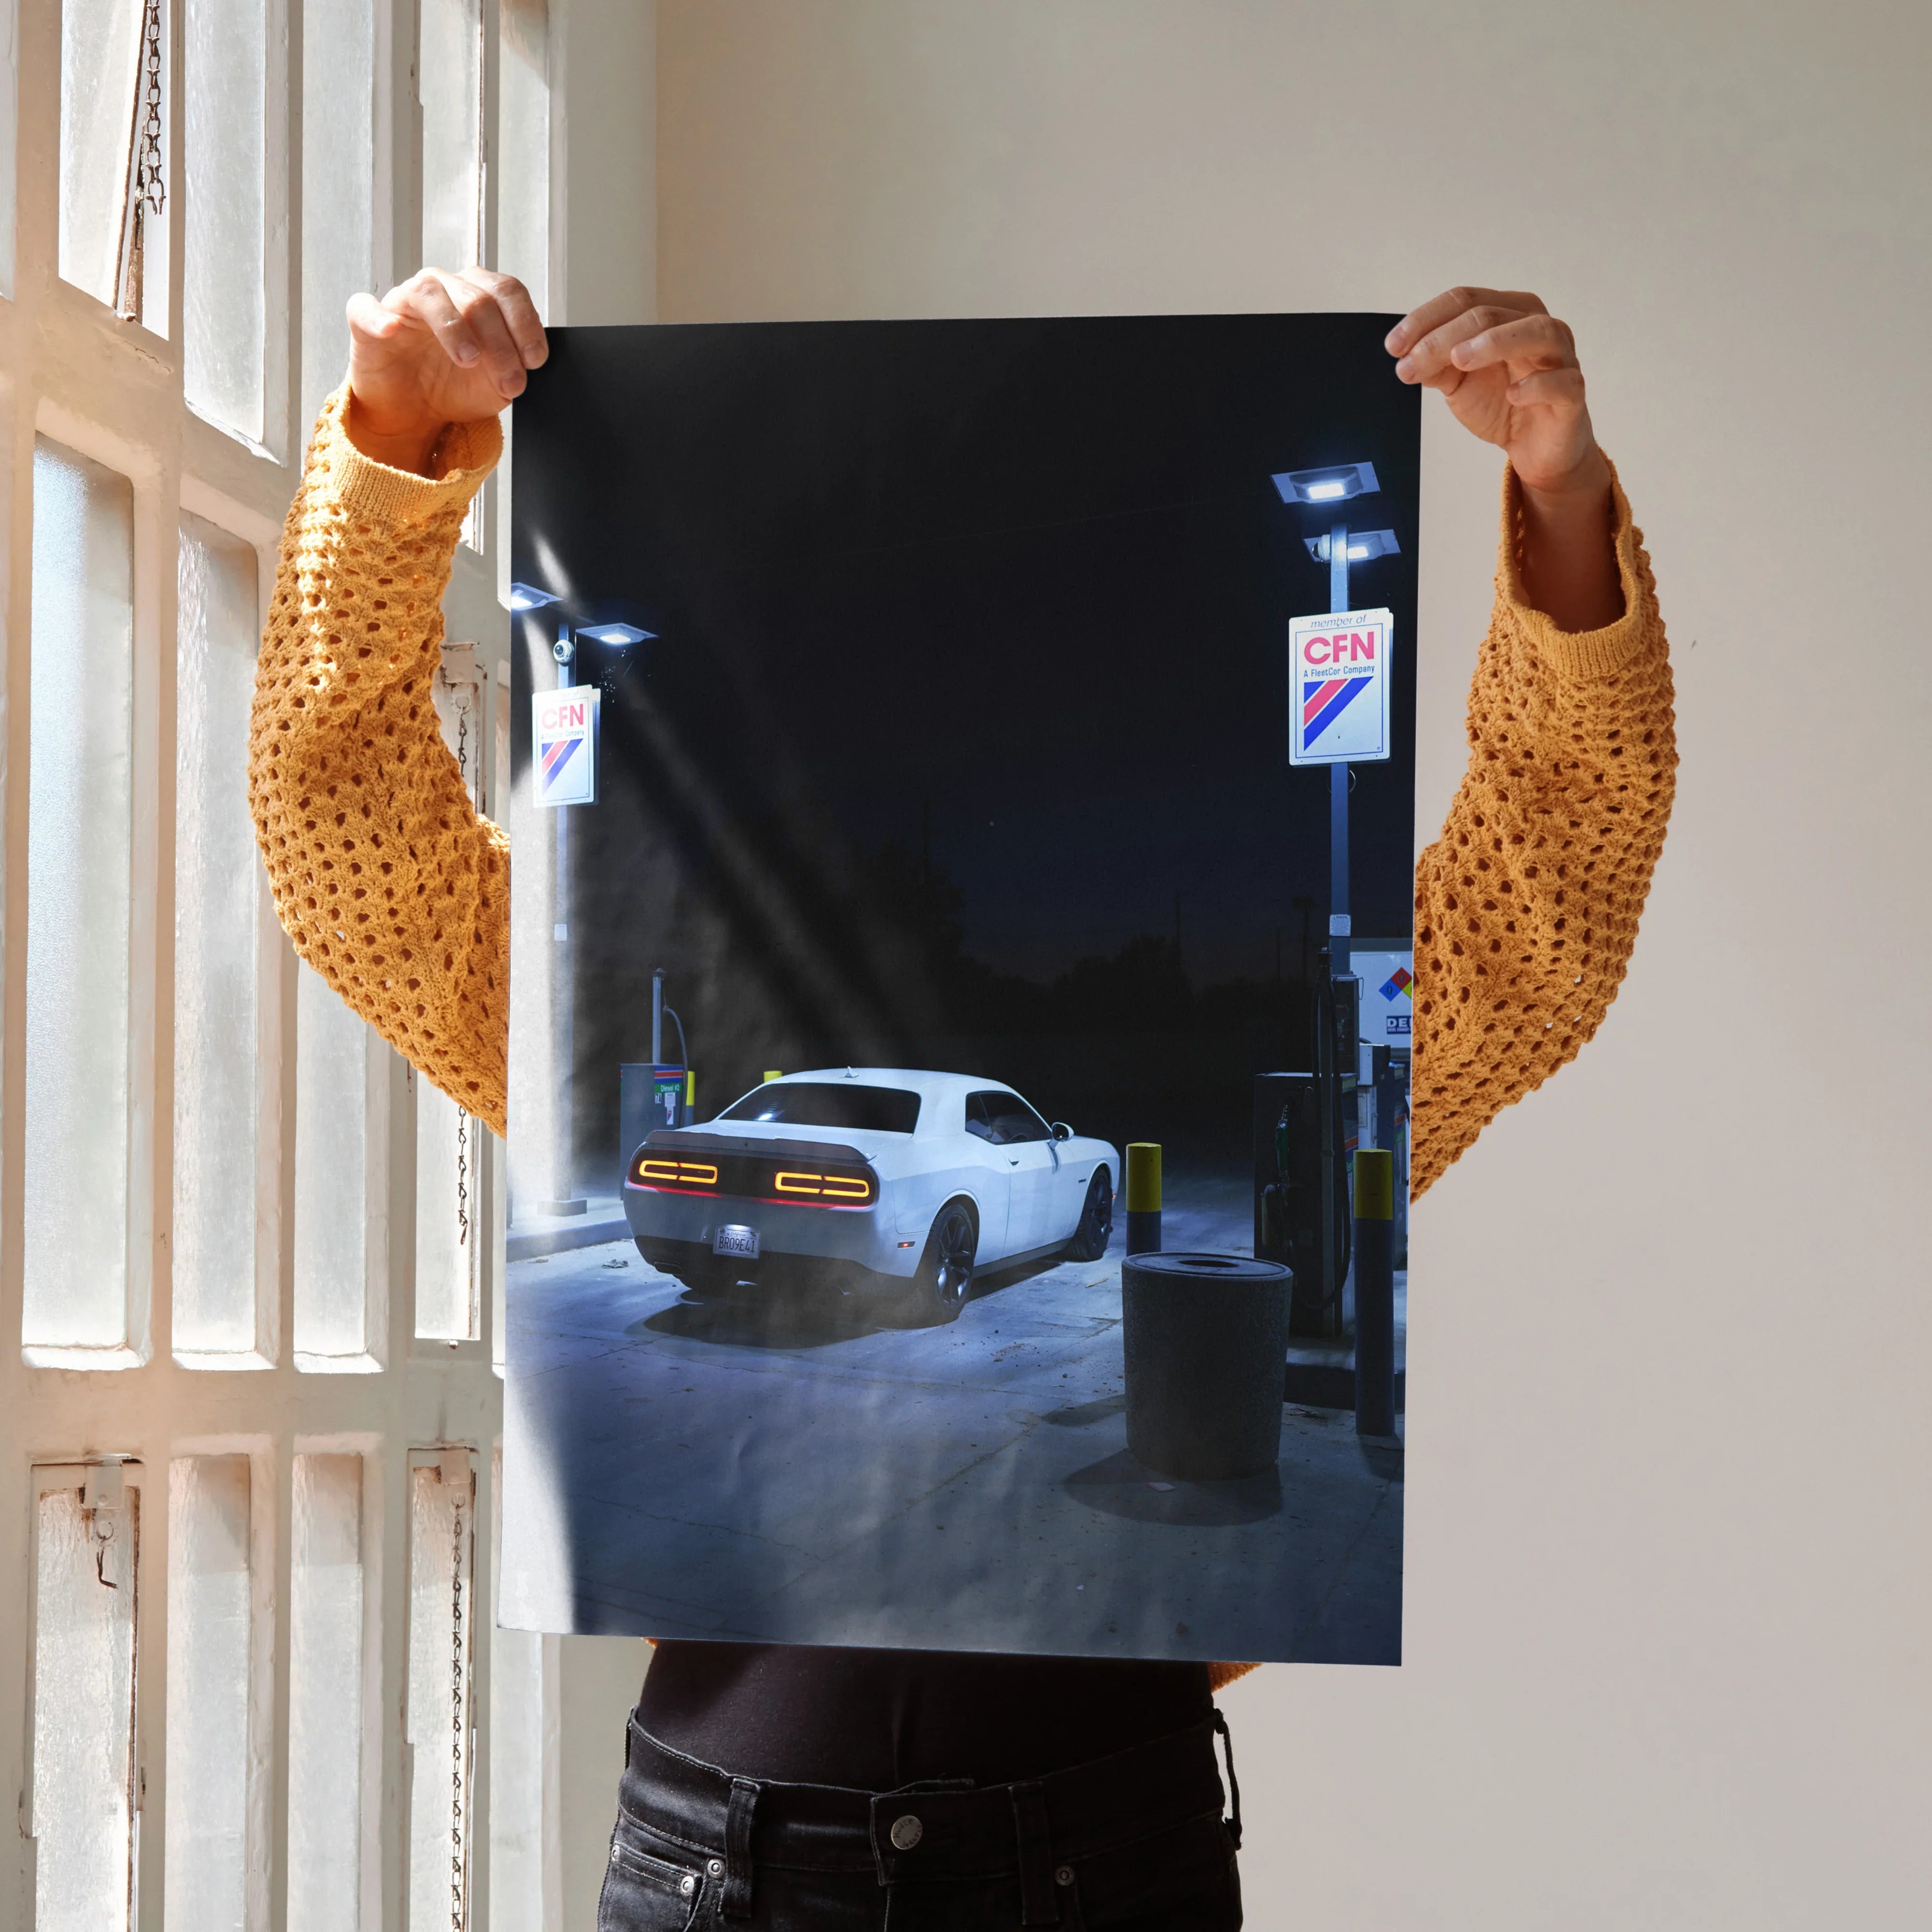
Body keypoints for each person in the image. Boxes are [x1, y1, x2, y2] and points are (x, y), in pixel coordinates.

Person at [250, 274, 1675, 1929]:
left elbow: (1544, 909)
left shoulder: (1271, 1067)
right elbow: (345, 839)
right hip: (751, 1858)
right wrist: (391, 448)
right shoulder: (606, 1031)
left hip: (1063, 1846)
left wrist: (1561, 500)